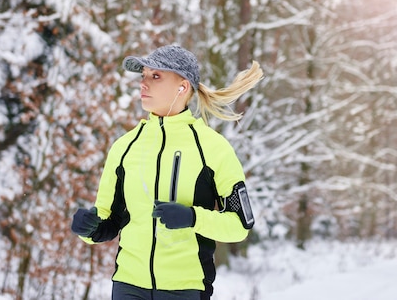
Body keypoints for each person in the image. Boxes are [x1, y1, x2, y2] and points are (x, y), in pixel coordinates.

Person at [71, 45, 263, 300]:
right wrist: (88, 228)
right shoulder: (124, 147)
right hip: (128, 286)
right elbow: (108, 221)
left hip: (185, 288)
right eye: (143, 76)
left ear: (182, 87)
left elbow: (239, 226)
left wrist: (193, 218)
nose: (143, 84)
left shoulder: (212, 148)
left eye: (155, 76)